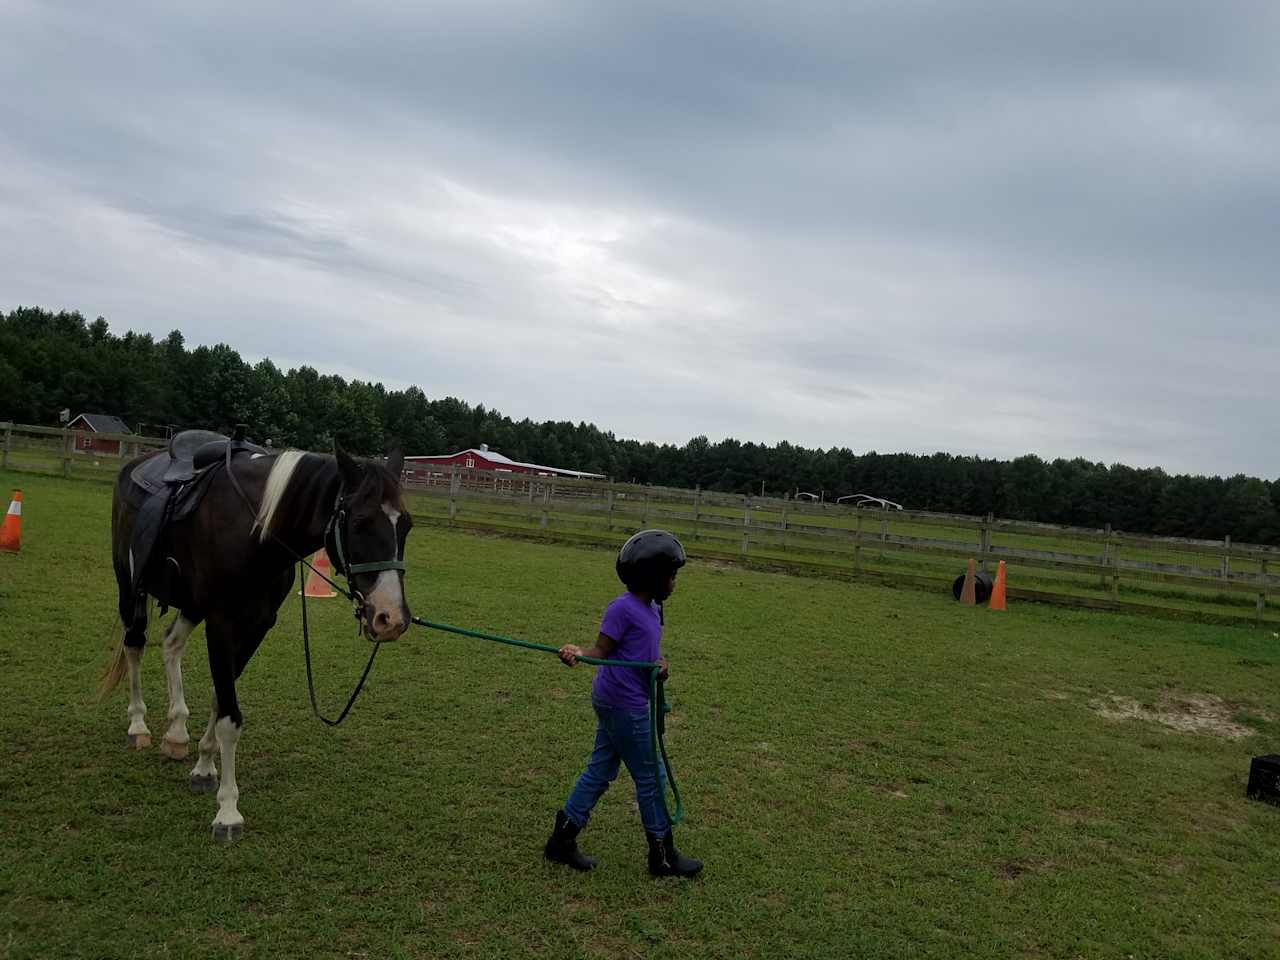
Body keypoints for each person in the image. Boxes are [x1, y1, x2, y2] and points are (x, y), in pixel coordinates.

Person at [543, 529, 703, 878]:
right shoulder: (622, 608)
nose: (675, 582)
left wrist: (658, 665)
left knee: (600, 769)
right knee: (651, 778)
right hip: (623, 705)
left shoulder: (651, 608)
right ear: (653, 578)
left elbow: (642, 651)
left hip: (621, 699)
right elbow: (601, 651)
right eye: (671, 576)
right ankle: (662, 855)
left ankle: (562, 839)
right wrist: (576, 653)